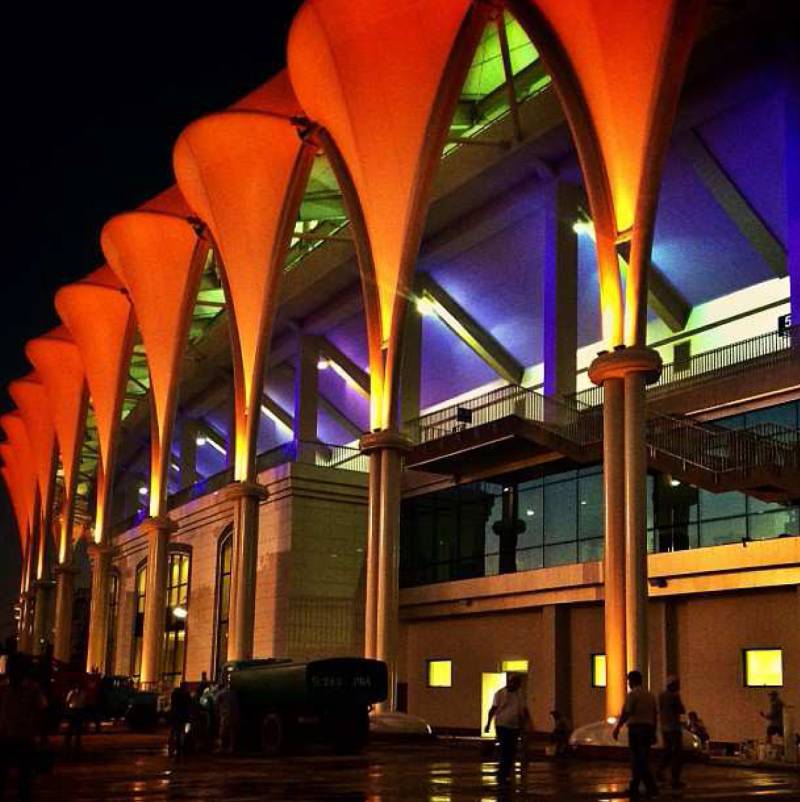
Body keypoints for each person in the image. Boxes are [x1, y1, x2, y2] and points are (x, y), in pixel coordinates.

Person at [0, 659, 47, 802]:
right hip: (9, 738)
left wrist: (42, 736)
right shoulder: (4, 689)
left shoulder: (32, 690)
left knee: (24, 777)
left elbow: (41, 712)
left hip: (21, 738)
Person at [613, 670, 658, 800]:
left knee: (637, 759)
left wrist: (618, 727)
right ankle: (639, 786)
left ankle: (648, 787)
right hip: (648, 729)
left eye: (629, 680)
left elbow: (627, 712)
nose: (628, 683)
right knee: (643, 759)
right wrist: (654, 732)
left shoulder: (632, 695)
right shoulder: (650, 695)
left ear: (632, 681)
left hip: (636, 729)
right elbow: (654, 715)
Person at [484, 673, 531, 784]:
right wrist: (488, 723)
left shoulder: (519, 695)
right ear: (510, 682)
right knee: (505, 748)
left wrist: (526, 723)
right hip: (502, 725)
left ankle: (506, 772)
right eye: (516, 683)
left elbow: (523, 710)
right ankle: (502, 772)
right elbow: (493, 709)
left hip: (514, 726)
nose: (517, 686)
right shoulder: (500, 694)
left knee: (511, 750)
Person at [657, 676, 686, 791]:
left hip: (664, 727)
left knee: (667, 751)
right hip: (674, 727)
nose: (679, 686)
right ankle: (675, 778)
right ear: (672, 685)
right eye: (677, 684)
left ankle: (660, 769)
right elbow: (681, 710)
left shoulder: (661, 696)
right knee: (677, 753)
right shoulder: (674, 696)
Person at [169, 683, 192, 757]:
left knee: (175, 732)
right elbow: (189, 705)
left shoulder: (175, 694)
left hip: (176, 716)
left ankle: (173, 747)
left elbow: (173, 704)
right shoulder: (186, 695)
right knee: (184, 732)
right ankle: (182, 748)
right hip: (184, 717)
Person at [64, 683, 87, 754]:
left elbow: (84, 702)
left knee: (78, 728)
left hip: (79, 710)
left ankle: (77, 743)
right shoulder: (72, 692)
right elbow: (67, 701)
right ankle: (68, 742)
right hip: (73, 710)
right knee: (71, 727)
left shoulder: (83, 693)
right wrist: (68, 710)